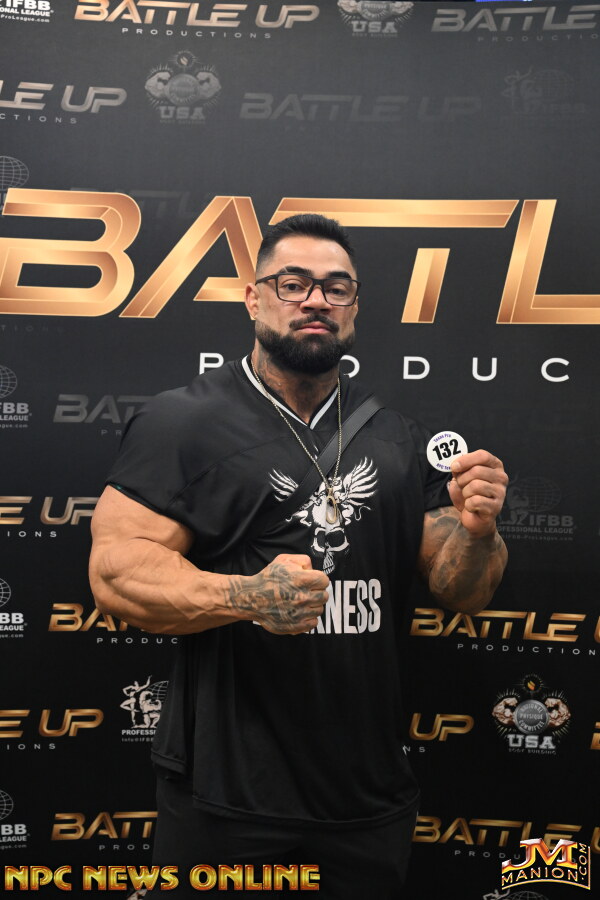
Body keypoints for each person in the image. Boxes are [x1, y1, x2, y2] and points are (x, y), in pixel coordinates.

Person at [89, 214, 508, 898]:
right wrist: (246, 596)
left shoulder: (397, 437)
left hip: (366, 795)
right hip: (228, 794)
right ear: (254, 299)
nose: (316, 300)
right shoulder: (180, 423)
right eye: (293, 284)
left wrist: (480, 530)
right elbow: (116, 576)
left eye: (336, 288)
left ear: (354, 307)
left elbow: (462, 591)